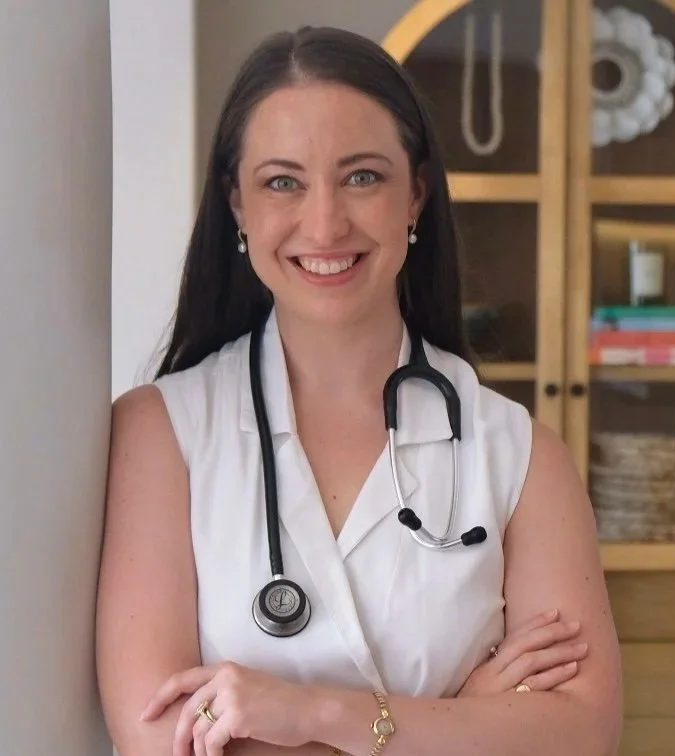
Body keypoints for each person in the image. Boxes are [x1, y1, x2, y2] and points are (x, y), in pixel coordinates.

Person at [95, 25, 622, 756]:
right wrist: (458, 721)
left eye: (362, 177)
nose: (324, 223)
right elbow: (163, 742)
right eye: (283, 182)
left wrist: (314, 716)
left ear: (417, 196)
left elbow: (580, 733)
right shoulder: (162, 434)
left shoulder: (520, 454)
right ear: (237, 207)